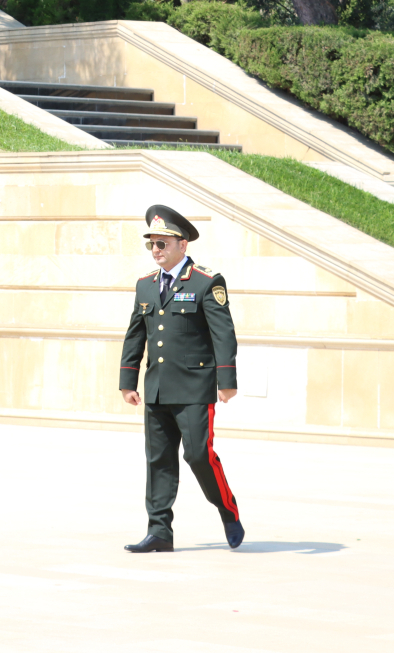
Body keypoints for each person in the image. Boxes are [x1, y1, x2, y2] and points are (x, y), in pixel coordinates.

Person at [119, 205, 245, 554]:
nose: (156, 250)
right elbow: (135, 335)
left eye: (162, 243)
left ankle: (227, 510)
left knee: (198, 456)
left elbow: (224, 334)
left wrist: (226, 380)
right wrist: (128, 380)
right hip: (157, 387)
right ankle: (159, 531)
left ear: (182, 245)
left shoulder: (206, 282)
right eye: (152, 244)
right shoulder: (145, 286)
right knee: (158, 459)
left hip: (194, 387)